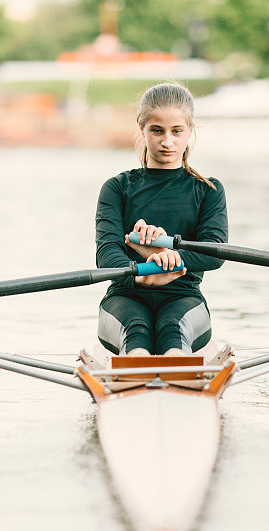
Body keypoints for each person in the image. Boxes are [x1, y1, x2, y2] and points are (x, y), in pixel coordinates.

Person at [95, 82, 228, 357]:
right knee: (136, 332)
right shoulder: (117, 188)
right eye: (157, 130)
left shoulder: (209, 190)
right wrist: (143, 275)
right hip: (125, 296)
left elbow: (214, 252)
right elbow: (106, 255)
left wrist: (165, 256)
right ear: (142, 128)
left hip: (184, 298)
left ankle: (173, 366)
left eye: (176, 131)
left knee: (173, 331)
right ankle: (137, 364)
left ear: (190, 130)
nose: (167, 141)